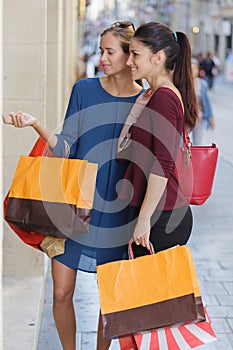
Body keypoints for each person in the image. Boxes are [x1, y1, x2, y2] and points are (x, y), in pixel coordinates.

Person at [3, 21, 145, 350]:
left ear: (130, 56)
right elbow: (66, 146)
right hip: (72, 207)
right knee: (61, 292)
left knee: (110, 299)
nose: (103, 58)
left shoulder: (146, 100)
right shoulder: (84, 89)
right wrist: (35, 123)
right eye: (101, 51)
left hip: (118, 211)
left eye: (110, 52)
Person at [117, 22, 199, 260]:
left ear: (158, 57)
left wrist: (144, 220)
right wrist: (140, 106)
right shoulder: (157, 96)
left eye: (135, 54)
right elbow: (123, 148)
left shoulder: (164, 97)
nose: (129, 62)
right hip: (158, 212)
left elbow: (162, 164)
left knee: (148, 296)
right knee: (147, 296)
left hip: (161, 217)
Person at [191, 58, 215, 145]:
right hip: (187, 118)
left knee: (197, 144)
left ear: (198, 70)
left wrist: (211, 117)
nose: (192, 71)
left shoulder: (203, 84)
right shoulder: (183, 84)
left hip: (199, 117)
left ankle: (196, 159)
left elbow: (207, 102)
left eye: (194, 69)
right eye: (190, 69)